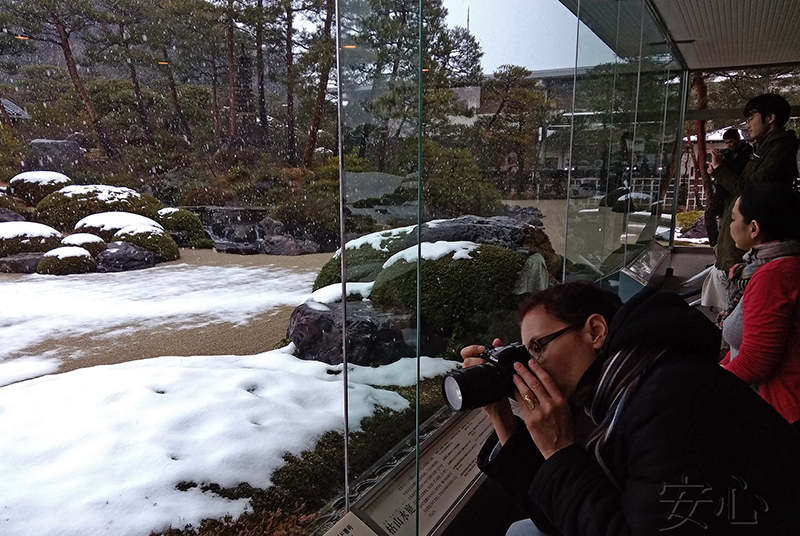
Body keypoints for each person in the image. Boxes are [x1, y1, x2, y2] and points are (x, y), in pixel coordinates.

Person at [463, 282, 800, 535]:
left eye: (538, 347)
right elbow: (558, 513)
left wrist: (558, 448)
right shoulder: (616, 391)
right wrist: (500, 413)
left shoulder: (668, 400)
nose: (530, 366)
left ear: (595, 332)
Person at [701, 93, 799, 310]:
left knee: (741, 318)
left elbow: (749, 190)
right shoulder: (762, 149)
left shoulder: (780, 150)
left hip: (747, 252)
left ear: (770, 118)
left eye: (751, 118)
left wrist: (719, 170)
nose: (747, 125)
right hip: (739, 250)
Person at [720, 184, 800, 427]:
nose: (730, 226)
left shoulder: (774, 275)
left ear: (753, 228)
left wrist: (709, 382)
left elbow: (757, 361)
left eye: (733, 219)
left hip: (780, 411)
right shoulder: (781, 264)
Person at [704, 128, 752, 247]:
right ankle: (716, 248)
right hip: (724, 192)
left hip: (735, 192)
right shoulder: (729, 154)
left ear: (738, 139)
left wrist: (719, 169)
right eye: (726, 143)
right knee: (715, 219)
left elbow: (734, 174)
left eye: (731, 142)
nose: (729, 145)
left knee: (727, 225)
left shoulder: (747, 153)